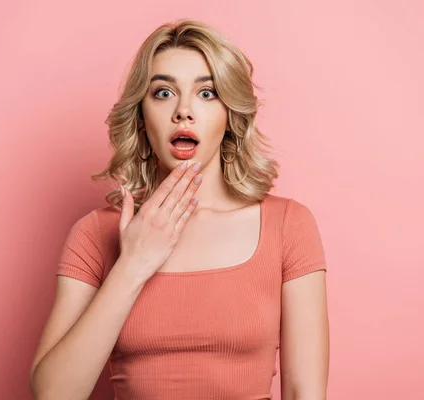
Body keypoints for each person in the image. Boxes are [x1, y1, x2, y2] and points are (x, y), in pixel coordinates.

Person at [29, 19, 329, 400]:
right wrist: (133, 264)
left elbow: (305, 390)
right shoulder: (93, 234)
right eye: (164, 92)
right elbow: (53, 395)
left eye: (206, 94)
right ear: (140, 116)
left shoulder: (289, 226)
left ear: (230, 118)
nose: (184, 111)